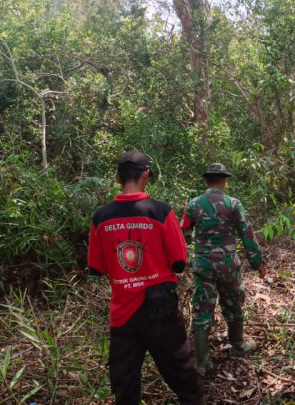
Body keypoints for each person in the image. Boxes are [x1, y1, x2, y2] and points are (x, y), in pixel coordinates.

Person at [87, 151, 204, 405]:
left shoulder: (100, 217)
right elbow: (179, 262)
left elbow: (96, 268)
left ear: (118, 177)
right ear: (146, 175)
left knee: (125, 386)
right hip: (160, 311)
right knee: (185, 378)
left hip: (122, 315)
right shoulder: (160, 212)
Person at [182, 163, 267, 374]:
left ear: (205, 181)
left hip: (204, 266)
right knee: (234, 303)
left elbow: (182, 234)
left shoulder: (193, 205)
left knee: (202, 309)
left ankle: (201, 362)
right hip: (228, 265)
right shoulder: (233, 203)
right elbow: (247, 234)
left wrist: (179, 261)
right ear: (224, 181)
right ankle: (238, 345)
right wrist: (258, 263)